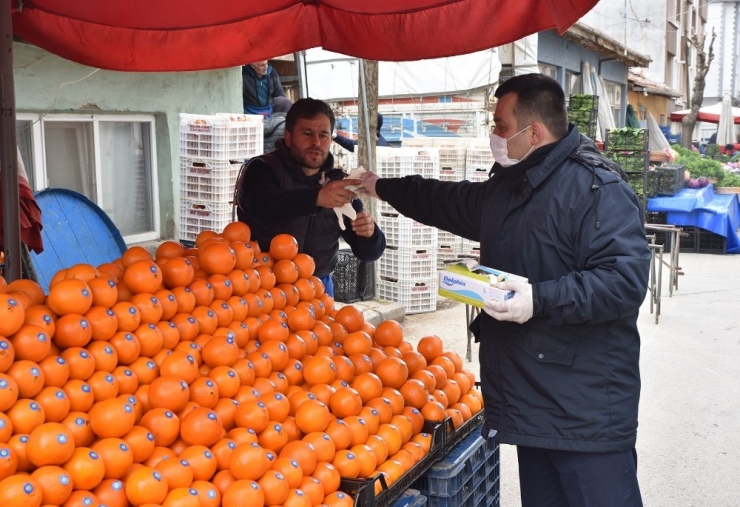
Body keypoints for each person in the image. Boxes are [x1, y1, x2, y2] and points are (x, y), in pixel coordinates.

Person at [361, 74, 650, 507]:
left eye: (499, 125)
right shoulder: (512, 186)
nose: (494, 135)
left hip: (585, 412)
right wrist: (376, 185)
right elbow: (446, 200)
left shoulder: (595, 188)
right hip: (533, 402)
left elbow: (624, 280)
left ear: (533, 132)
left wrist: (540, 298)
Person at [234, 98, 386, 296]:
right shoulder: (262, 168)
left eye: (323, 135)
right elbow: (263, 205)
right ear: (288, 137)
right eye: (307, 133)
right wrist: (317, 198)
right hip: (262, 285)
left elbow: (368, 254)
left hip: (317, 288)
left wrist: (370, 235)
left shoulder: (338, 182)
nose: (316, 142)